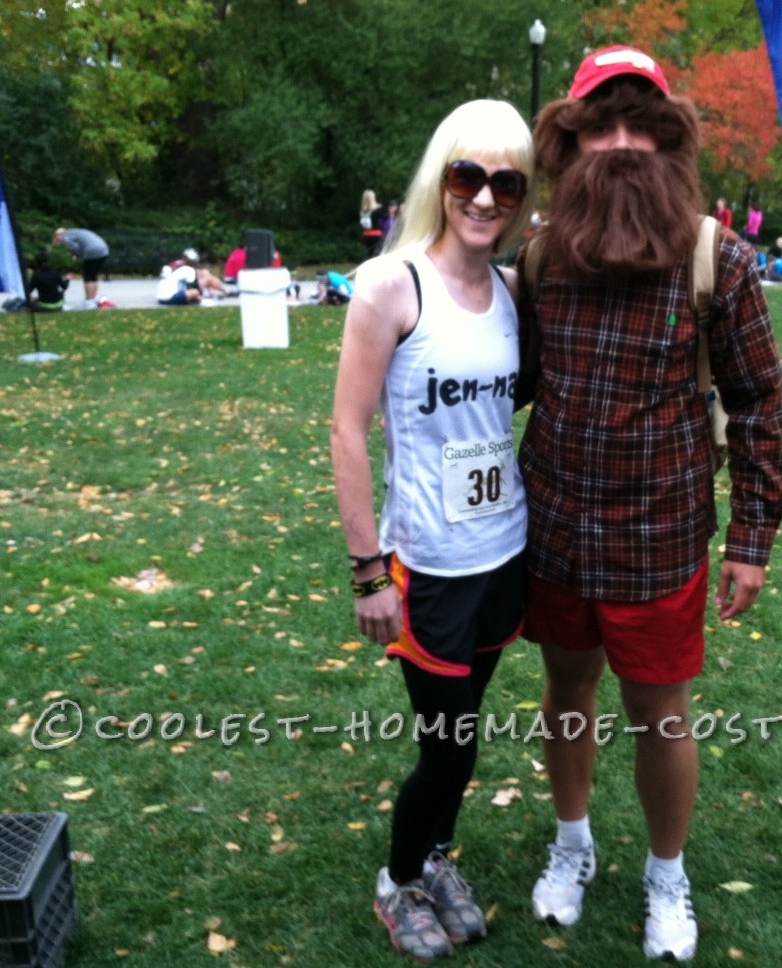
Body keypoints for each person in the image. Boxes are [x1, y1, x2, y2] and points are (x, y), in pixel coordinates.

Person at [519, 46, 782, 963]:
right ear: (572, 142)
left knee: (662, 714)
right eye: (601, 126)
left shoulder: (719, 257)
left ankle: (666, 874)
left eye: (643, 126)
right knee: (566, 690)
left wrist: (751, 539)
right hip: (553, 529)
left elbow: (758, 403)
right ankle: (572, 843)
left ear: (671, 143)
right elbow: (509, 382)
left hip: (660, 538)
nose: (622, 144)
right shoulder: (540, 256)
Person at [331, 99, 536, 963]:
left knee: (464, 729)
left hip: (506, 554)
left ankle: (434, 859)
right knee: (449, 749)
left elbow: (504, 403)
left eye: (506, 182)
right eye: (467, 176)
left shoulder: (513, 288)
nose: (484, 197)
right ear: (439, 179)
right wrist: (368, 570)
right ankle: (397, 881)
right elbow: (348, 429)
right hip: (431, 569)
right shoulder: (392, 283)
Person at [52, 228, 109, 307]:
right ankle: (94, 298)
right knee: (93, 275)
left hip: (92, 251)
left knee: (88, 277)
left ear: (60, 235)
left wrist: (80, 255)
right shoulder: (74, 232)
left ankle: (89, 301)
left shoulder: (66, 238)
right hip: (104, 250)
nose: (58, 241)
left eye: (57, 237)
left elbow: (76, 249)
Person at [360, 189, 385, 258]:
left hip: (367, 234)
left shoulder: (363, 211)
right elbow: (384, 218)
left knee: (370, 254)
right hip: (376, 234)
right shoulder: (378, 209)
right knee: (377, 254)